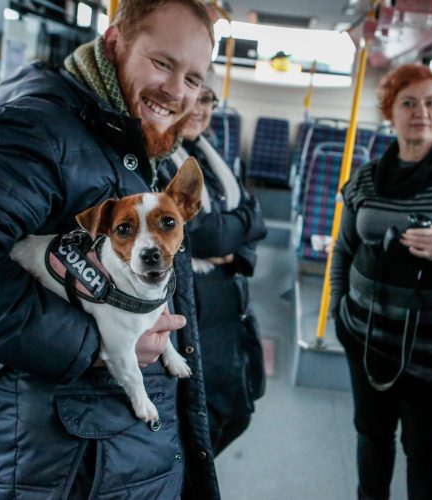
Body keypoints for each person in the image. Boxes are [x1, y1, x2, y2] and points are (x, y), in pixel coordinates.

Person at [0, 1, 222, 498]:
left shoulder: (124, 136)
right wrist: (95, 344)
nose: (178, 92)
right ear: (115, 41)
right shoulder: (36, 127)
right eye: (162, 63)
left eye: (194, 79)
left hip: (110, 455)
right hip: (56, 465)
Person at [330, 63, 432, 500]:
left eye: (431, 103)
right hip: (366, 340)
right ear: (390, 112)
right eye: (409, 103)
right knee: (372, 436)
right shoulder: (365, 178)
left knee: (426, 450)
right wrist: (338, 315)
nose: (422, 111)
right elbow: (343, 248)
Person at [167, 71, 267, 456]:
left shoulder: (208, 153)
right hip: (197, 312)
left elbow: (253, 216)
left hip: (232, 307)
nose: (201, 108)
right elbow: (208, 236)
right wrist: (233, 235)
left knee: (238, 412)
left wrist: (235, 246)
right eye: (195, 96)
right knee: (200, 428)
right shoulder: (159, 160)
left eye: (209, 100)